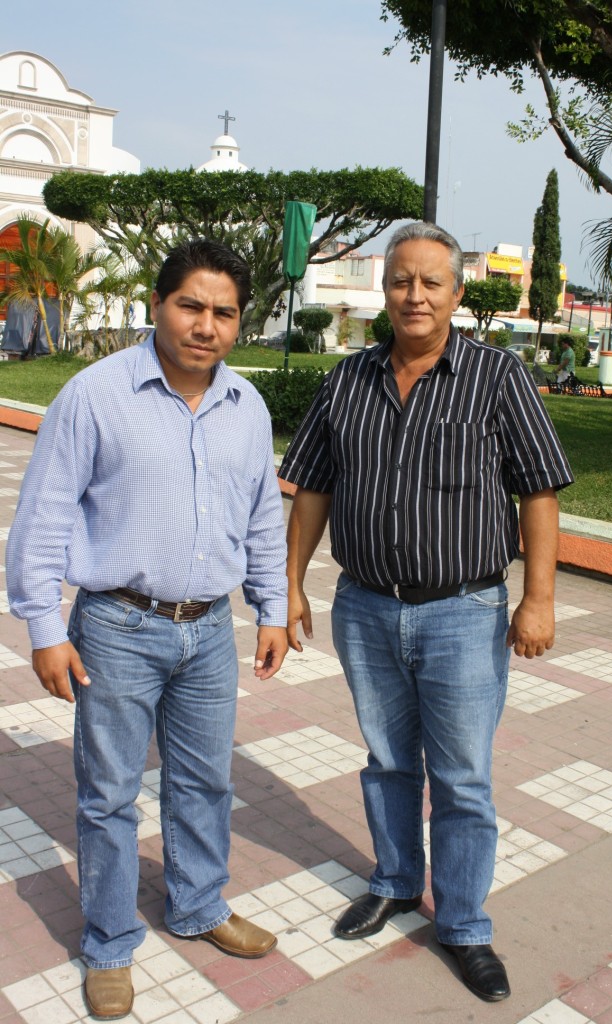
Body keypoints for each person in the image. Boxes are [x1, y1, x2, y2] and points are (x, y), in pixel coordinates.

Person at [280, 222, 574, 1003]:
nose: (414, 296)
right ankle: (395, 881)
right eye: (400, 281)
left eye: (430, 282)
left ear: (455, 293)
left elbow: (538, 491)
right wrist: (291, 582)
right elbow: (312, 485)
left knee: (462, 777)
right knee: (386, 761)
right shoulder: (347, 380)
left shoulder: (496, 377)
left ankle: (465, 925)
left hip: (463, 613)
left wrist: (538, 599)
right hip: (366, 608)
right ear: (385, 291)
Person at [7, 239, 288, 1020]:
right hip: (117, 628)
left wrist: (270, 608)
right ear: (157, 306)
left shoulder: (246, 407)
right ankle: (108, 942)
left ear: (238, 322)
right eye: (190, 306)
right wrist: (43, 627)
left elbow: (261, 519)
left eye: (223, 312)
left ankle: (197, 904)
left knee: (206, 781)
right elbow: (44, 516)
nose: (205, 325)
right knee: (108, 795)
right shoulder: (95, 396)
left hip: (209, 632)